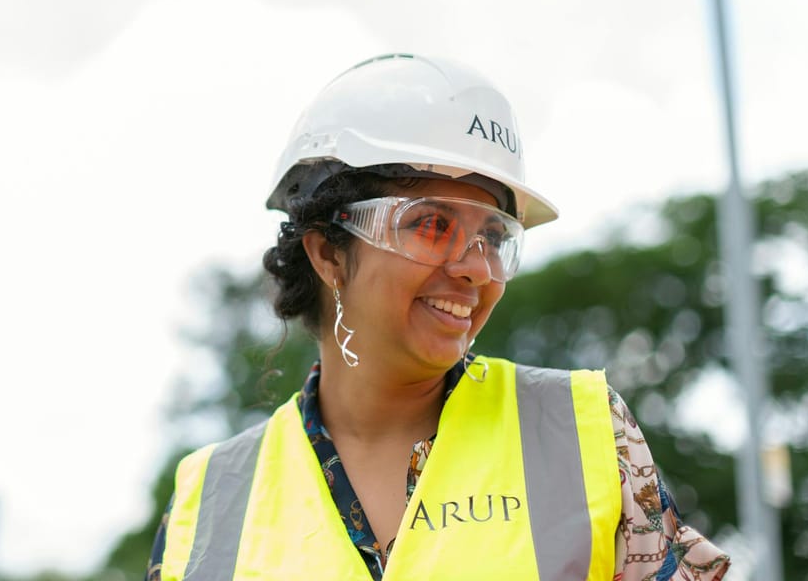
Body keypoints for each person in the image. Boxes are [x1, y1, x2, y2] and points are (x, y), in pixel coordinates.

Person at [146, 54, 730, 580]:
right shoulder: (208, 505)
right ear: (327, 252)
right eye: (431, 225)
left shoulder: (583, 435)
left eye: (495, 236)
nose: (478, 269)